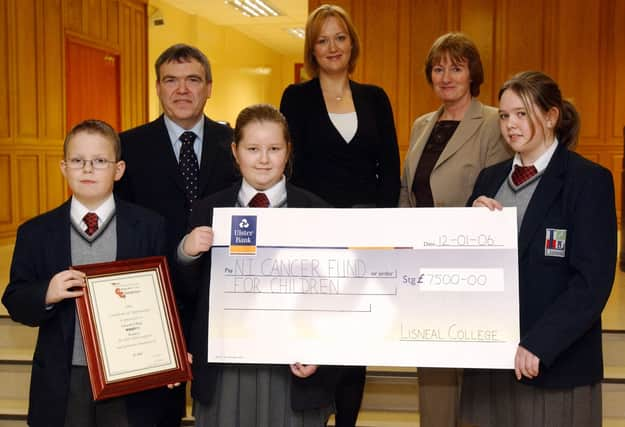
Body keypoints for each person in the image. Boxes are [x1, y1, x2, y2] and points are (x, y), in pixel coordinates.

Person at [460, 71, 616, 427]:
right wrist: (466, 228)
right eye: (504, 115)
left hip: (552, 367)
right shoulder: (488, 180)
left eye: (522, 113)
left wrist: (540, 344)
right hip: (490, 366)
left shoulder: (587, 181)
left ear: (551, 116)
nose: (511, 124)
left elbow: (591, 283)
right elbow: (468, 272)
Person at [176, 104, 337, 426]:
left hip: (293, 368)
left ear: (288, 151)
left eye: (274, 149)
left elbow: (333, 297)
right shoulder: (208, 210)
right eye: (253, 149)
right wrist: (186, 252)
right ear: (236, 152)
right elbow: (188, 294)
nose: (263, 159)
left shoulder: (317, 211)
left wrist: (320, 349)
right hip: (226, 367)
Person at [2, 120, 166, 427]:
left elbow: (164, 300)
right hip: (66, 376)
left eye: (100, 161)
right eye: (78, 161)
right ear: (64, 168)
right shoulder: (36, 232)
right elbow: (15, 299)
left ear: (118, 170)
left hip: (129, 376)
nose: (87, 169)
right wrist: (46, 293)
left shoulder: (149, 227)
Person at [280, 6, 400, 424]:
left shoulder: (375, 97)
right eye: (322, 39)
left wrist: (381, 227)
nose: (333, 47)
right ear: (312, 49)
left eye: (340, 37)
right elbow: (289, 167)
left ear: (352, 43)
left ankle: (346, 421)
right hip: (314, 235)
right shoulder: (295, 97)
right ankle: (315, 416)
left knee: (355, 336)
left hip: (367, 238)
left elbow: (390, 169)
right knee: (315, 328)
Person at [115, 43, 238, 426]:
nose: (182, 90)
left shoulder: (236, 144)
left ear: (209, 87)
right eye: (171, 80)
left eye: (193, 80)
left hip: (219, 294)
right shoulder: (128, 146)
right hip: (154, 295)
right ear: (157, 87)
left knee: (220, 405)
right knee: (155, 411)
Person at [398, 32, 511, 427]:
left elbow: (498, 191)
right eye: (438, 68)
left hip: (472, 265)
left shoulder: (496, 121)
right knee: (433, 371)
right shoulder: (421, 124)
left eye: (456, 68)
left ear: (472, 74)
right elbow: (407, 190)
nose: (446, 76)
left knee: (475, 376)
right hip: (422, 267)